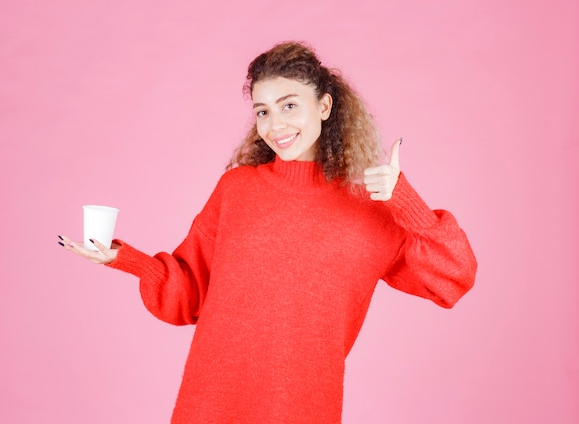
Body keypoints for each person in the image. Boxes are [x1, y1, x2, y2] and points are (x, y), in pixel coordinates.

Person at [59, 41, 477, 423]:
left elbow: (454, 276)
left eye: (289, 105)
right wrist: (123, 259)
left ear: (325, 106)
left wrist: (405, 200)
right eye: (263, 110)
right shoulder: (237, 190)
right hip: (211, 402)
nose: (275, 124)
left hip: (302, 409)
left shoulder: (371, 207)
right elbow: (188, 290)